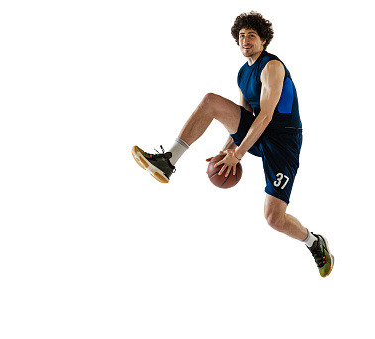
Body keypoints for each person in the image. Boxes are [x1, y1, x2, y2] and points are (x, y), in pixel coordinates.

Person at [131, 11, 334, 277]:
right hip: (259, 132)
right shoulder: (242, 74)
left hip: (284, 142)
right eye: (241, 35)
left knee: (274, 218)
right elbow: (242, 118)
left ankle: (314, 242)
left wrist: (237, 155)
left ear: (263, 40)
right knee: (211, 101)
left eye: (251, 35)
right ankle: (168, 160)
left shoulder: (272, 67)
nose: (245, 39)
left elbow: (265, 116)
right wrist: (227, 148)